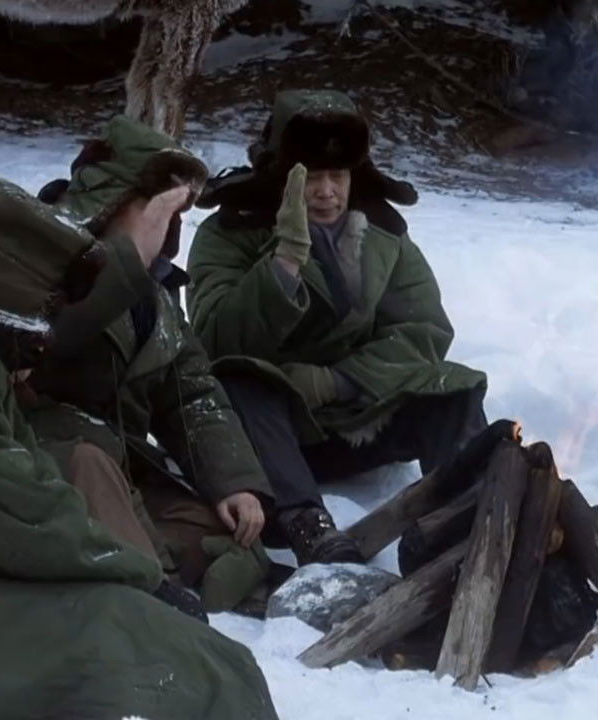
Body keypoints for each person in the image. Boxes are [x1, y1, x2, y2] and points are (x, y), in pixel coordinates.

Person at [0, 177, 278, 719]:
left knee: (165, 646)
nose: (42, 346)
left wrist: (231, 484)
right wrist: (147, 583)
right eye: (40, 321)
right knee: (145, 647)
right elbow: (20, 514)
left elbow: (192, 392)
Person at [187, 89, 488, 565]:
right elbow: (214, 340)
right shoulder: (230, 233)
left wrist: (336, 382)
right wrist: (284, 261)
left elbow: (422, 331)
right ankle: (309, 526)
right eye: (310, 177)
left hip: (360, 419)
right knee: (237, 382)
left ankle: (464, 523)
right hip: (274, 438)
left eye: (338, 175)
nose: (326, 191)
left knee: (453, 387)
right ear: (282, 176)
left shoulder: (383, 232)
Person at [29, 115, 275, 612]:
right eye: (157, 208)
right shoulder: (41, 259)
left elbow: (192, 392)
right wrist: (125, 265)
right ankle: (148, 584)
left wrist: (234, 483)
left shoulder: (157, 290)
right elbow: (45, 342)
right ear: (112, 200)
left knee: (229, 536)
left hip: (128, 469)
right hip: (45, 465)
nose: (167, 226)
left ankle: (146, 564)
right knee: (94, 475)